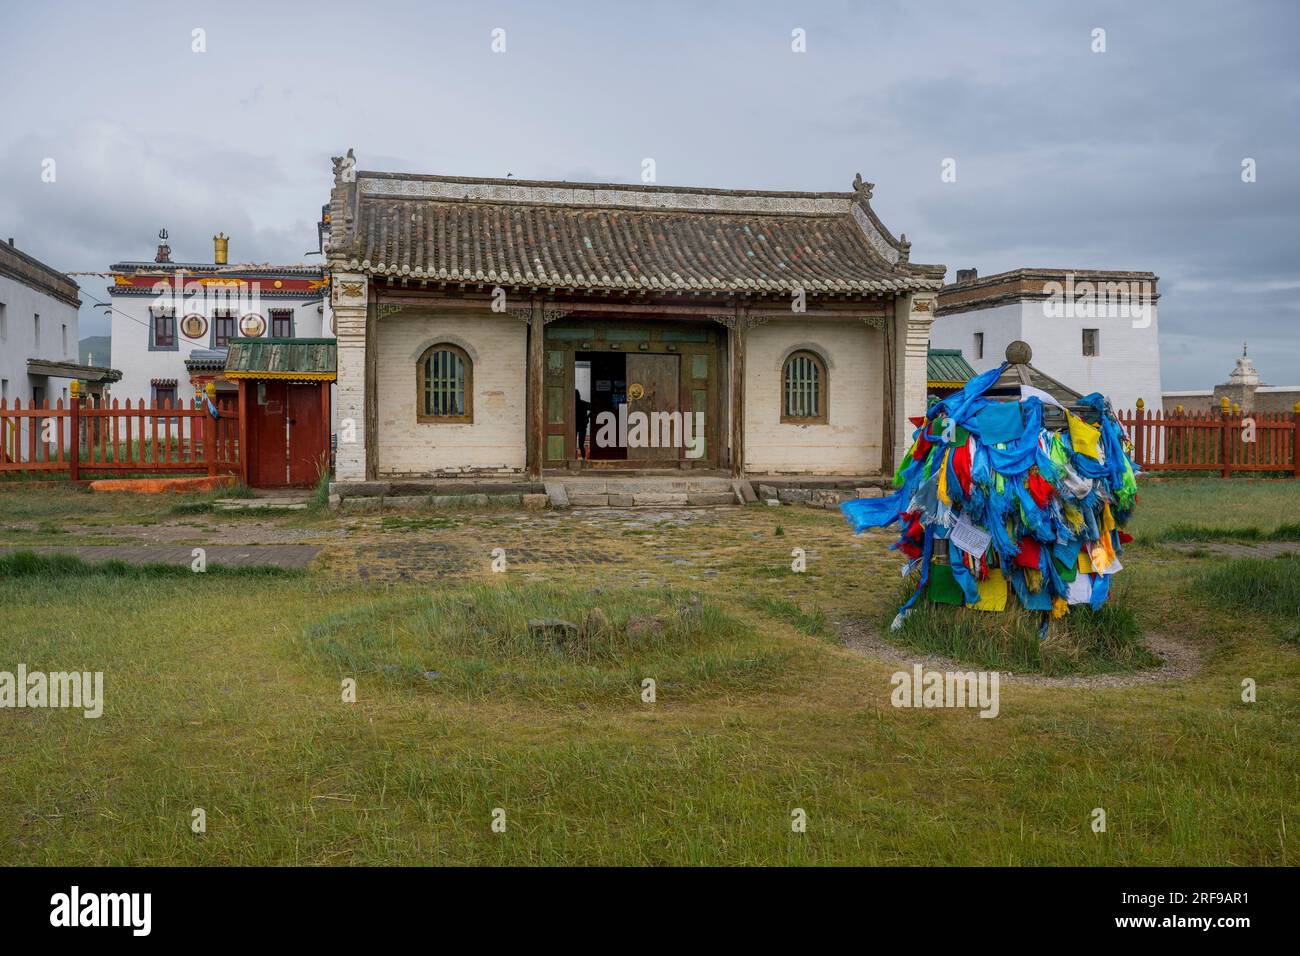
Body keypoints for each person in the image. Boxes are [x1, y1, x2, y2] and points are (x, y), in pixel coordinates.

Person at [575, 389, 592, 460]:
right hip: (582, 426)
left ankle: (575, 458)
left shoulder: (573, 404)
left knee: (575, 444)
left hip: (575, 426)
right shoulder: (583, 403)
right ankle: (583, 459)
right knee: (581, 444)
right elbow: (593, 407)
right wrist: (587, 417)